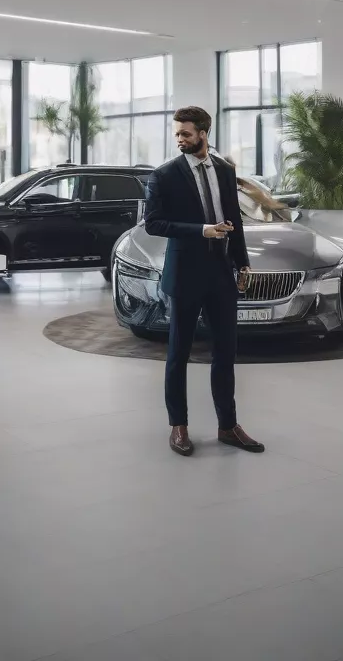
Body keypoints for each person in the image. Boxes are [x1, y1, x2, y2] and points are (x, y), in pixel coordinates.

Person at [144, 106, 265, 456]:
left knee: (226, 351)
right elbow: (154, 223)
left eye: (186, 133)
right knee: (178, 353)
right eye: (177, 133)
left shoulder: (225, 169)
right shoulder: (164, 175)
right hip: (185, 275)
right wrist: (201, 231)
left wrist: (242, 262)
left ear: (203, 133)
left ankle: (228, 426)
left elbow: (234, 221)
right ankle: (178, 427)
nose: (180, 139)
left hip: (221, 273)